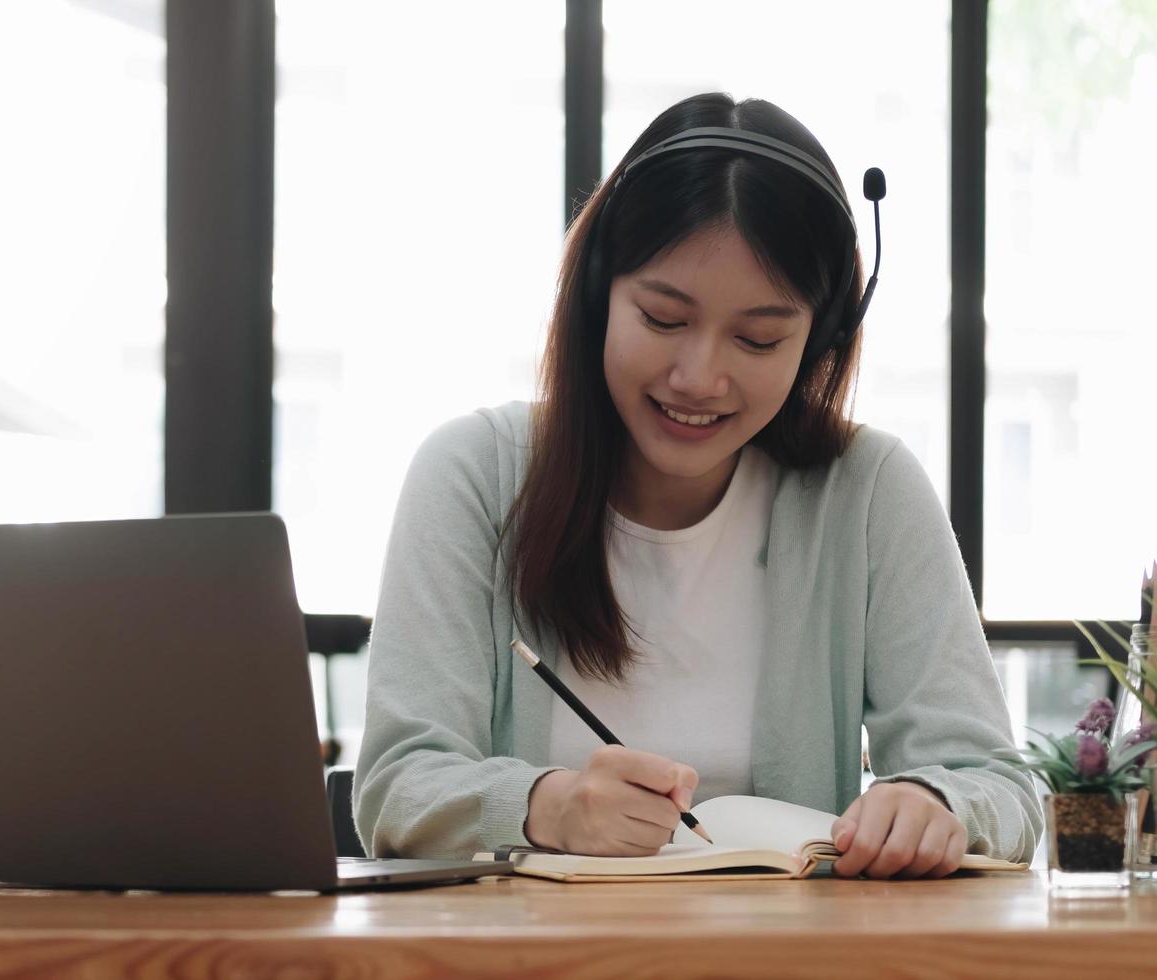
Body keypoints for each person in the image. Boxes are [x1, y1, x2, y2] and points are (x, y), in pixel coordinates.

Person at [353, 93, 1039, 878]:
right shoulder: (476, 473)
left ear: (819, 344)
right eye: (662, 319)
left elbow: (1001, 787)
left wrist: (934, 803)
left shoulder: (867, 492)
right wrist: (550, 805)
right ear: (596, 298)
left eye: (757, 338)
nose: (699, 377)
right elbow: (394, 787)